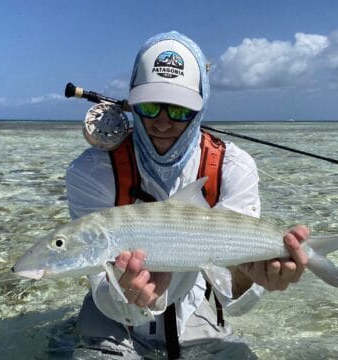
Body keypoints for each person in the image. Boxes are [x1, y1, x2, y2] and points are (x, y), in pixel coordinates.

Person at [66, 31, 309, 359]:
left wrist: (247, 275)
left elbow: (231, 294)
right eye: (151, 106)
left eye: (180, 110)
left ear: (201, 107)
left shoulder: (232, 166)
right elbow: (98, 278)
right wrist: (129, 299)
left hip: (193, 310)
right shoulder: (92, 170)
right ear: (133, 102)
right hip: (109, 315)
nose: (163, 124)